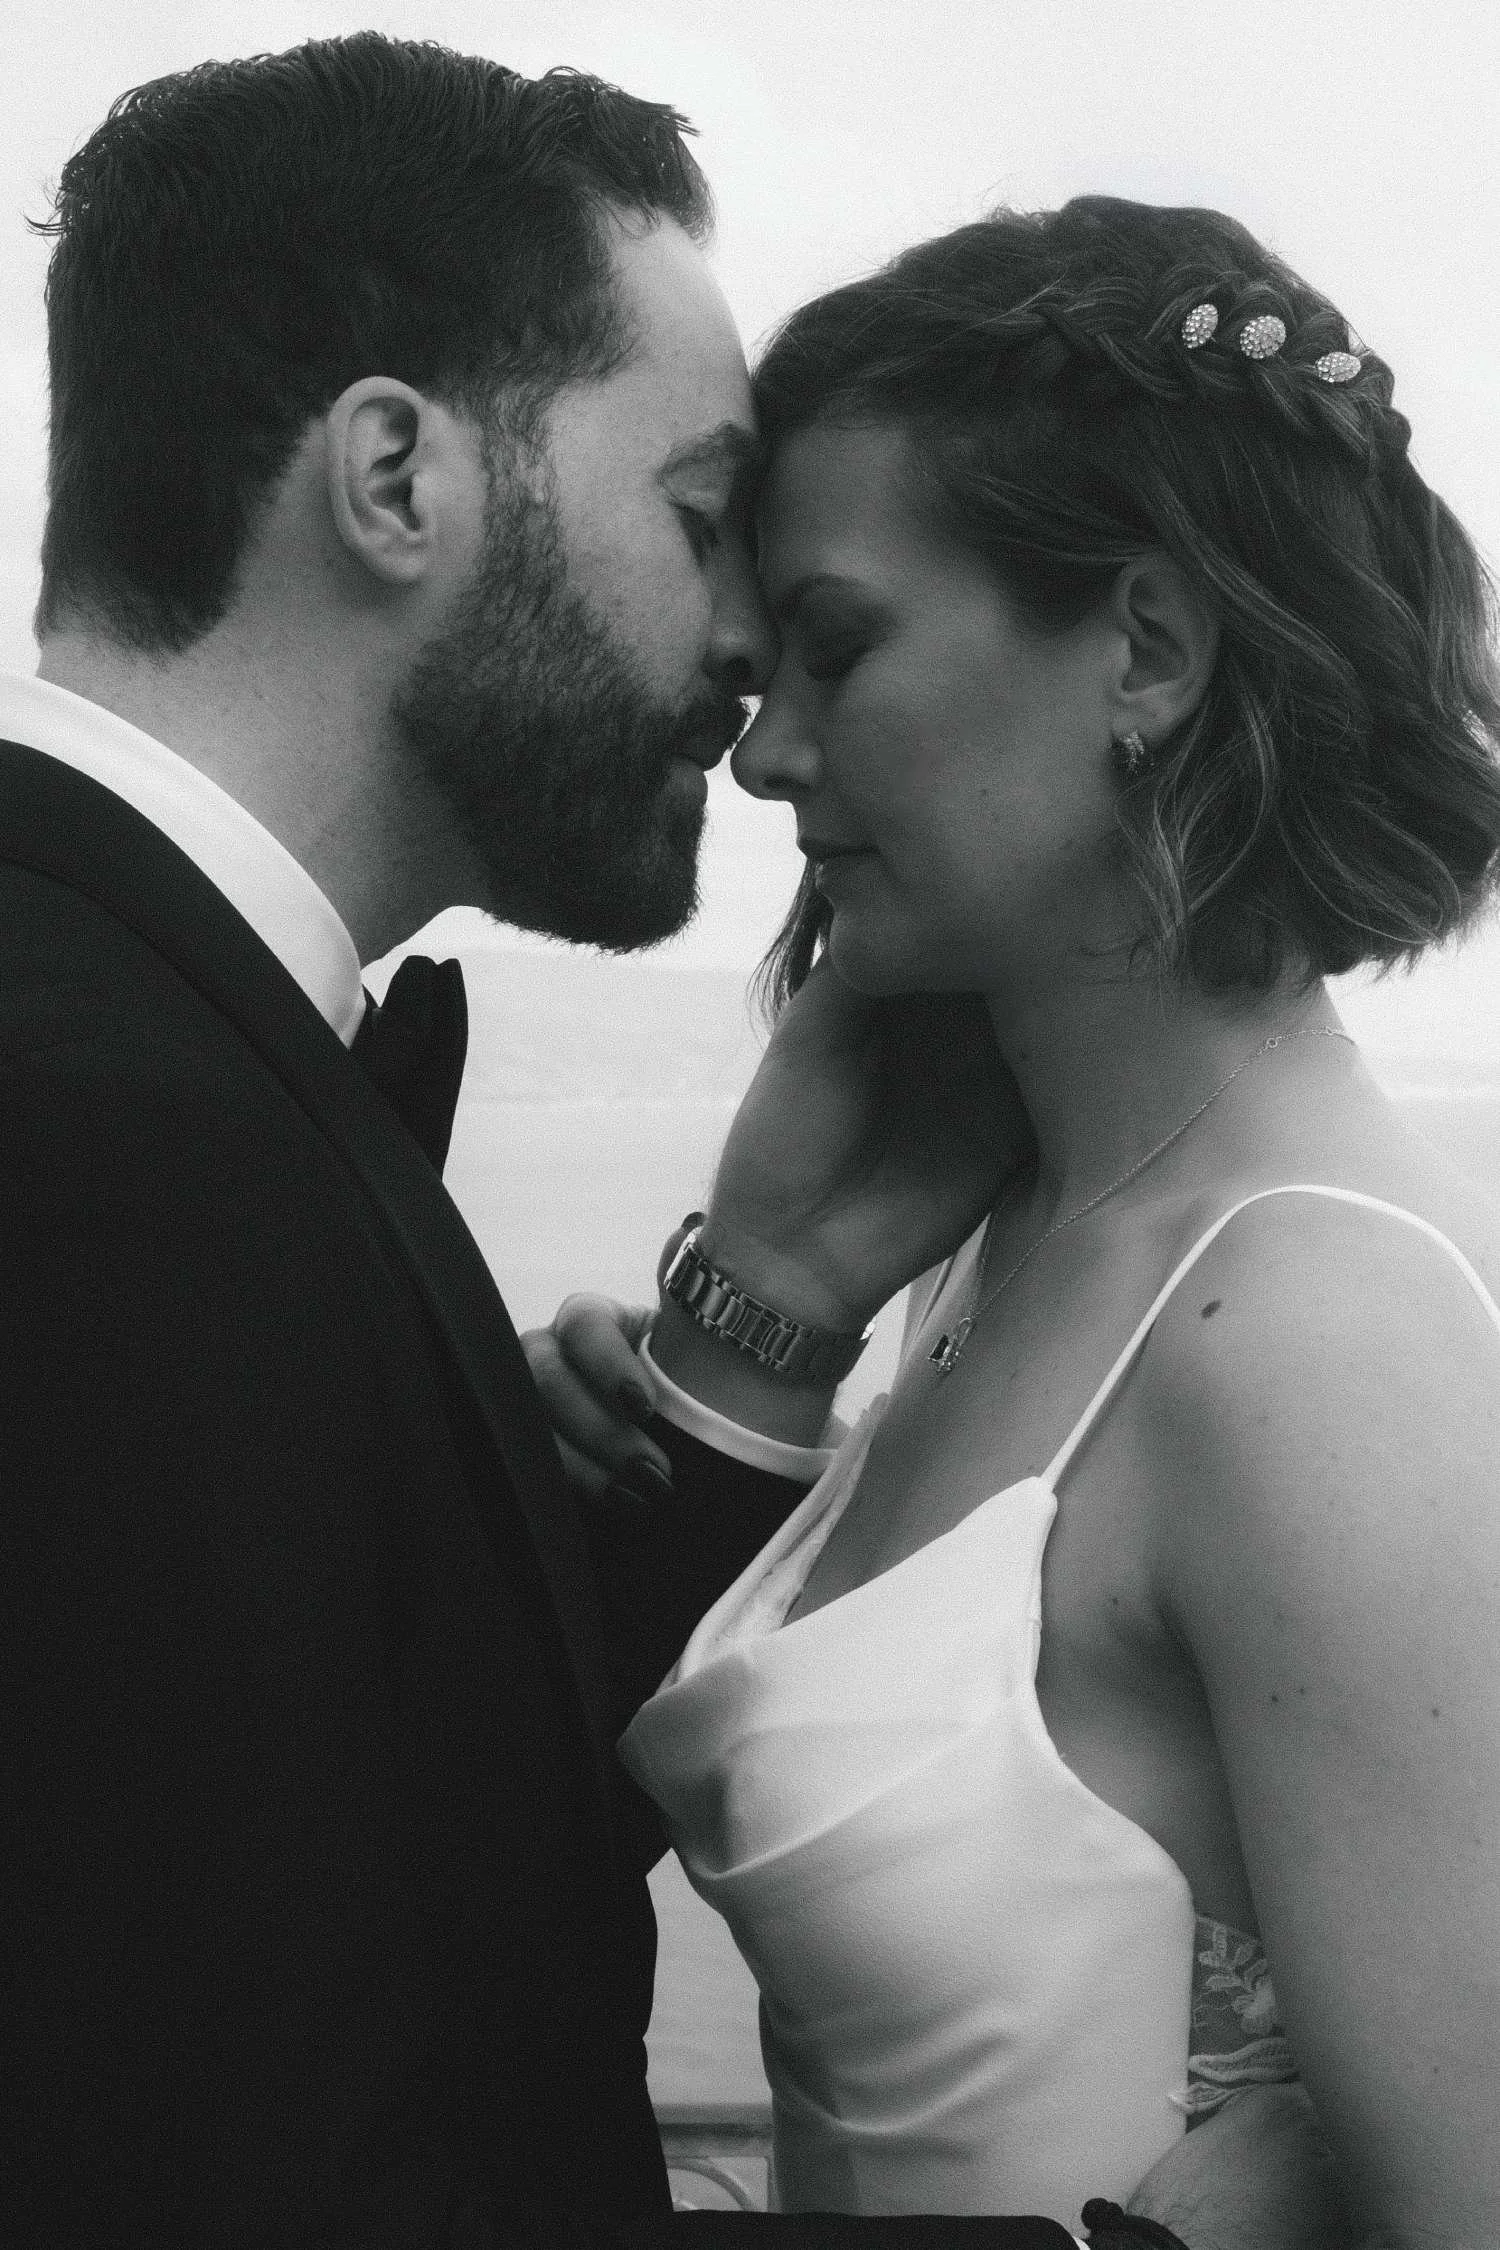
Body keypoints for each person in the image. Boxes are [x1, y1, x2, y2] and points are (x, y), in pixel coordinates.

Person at [1, 33, 1271, 2250]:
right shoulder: (92, 1149)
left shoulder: (164, 1065)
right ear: (396, 478)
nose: (752, 649)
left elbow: (353, 1900)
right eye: (699, 521)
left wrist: (752, 1322)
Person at [536, 196, 1500, 2248]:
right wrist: (738, 1336)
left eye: (841, 646)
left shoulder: (1315, 1340)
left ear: (1145, 648)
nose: (766, 749)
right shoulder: (1004, 1242)